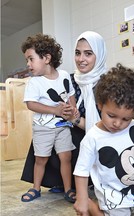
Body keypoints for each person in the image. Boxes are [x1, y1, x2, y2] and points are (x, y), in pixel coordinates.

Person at [20, 31, 107, 192]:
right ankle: (57, 182)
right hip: (67, 124)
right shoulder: (71, 78)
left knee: (69, 138)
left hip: (94, 132)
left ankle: (76, 182)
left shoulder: (107, 84)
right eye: (77, 53)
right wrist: (63, 113)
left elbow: (107, 126)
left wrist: (72, 117)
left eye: (88, 54)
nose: (81, 59)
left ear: (99, 54)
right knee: (47, 130)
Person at [73, 63, 134, 216]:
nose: (118, 124)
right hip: (113, 197)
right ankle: (92, 206)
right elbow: (81, 171)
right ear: (100, 105)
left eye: (126, 118)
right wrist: (81, 198)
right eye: (111, 116)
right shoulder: (93, 138)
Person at [20, 33, 78, 203]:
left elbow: (71, 94)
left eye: (31, 59)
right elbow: (31, 104)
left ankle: (68, 189)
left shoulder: (65, 75)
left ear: (46, 58)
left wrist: (71, 109)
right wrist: (55, 110)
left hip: (63, 127)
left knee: (65, 157)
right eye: (27, 60)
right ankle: (35, 188)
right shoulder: (35, 82)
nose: (28, 64)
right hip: (43, 128)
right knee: (41, 159)